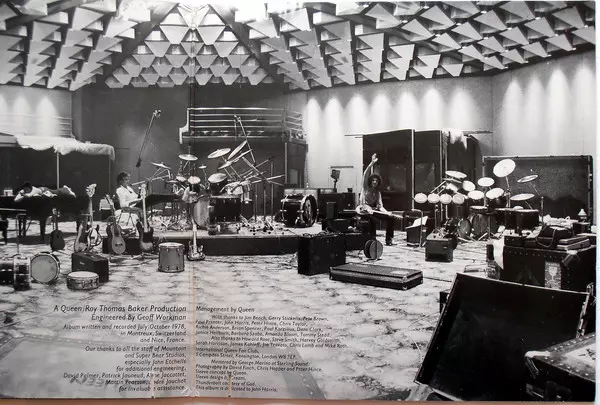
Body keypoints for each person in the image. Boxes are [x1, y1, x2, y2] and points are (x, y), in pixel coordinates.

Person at [360, 153, 396, 246]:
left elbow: (380, 206)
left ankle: (389, 240)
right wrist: (371, 163)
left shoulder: (377, 193)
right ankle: (373, 241)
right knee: (373, 220)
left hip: (373, 210)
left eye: (376, 181)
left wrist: (387, 213)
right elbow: (365, 174)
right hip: (364, 210)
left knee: (391, 218)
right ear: (370, 181)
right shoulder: (365, 187)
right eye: (373, 180)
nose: (374, 182)